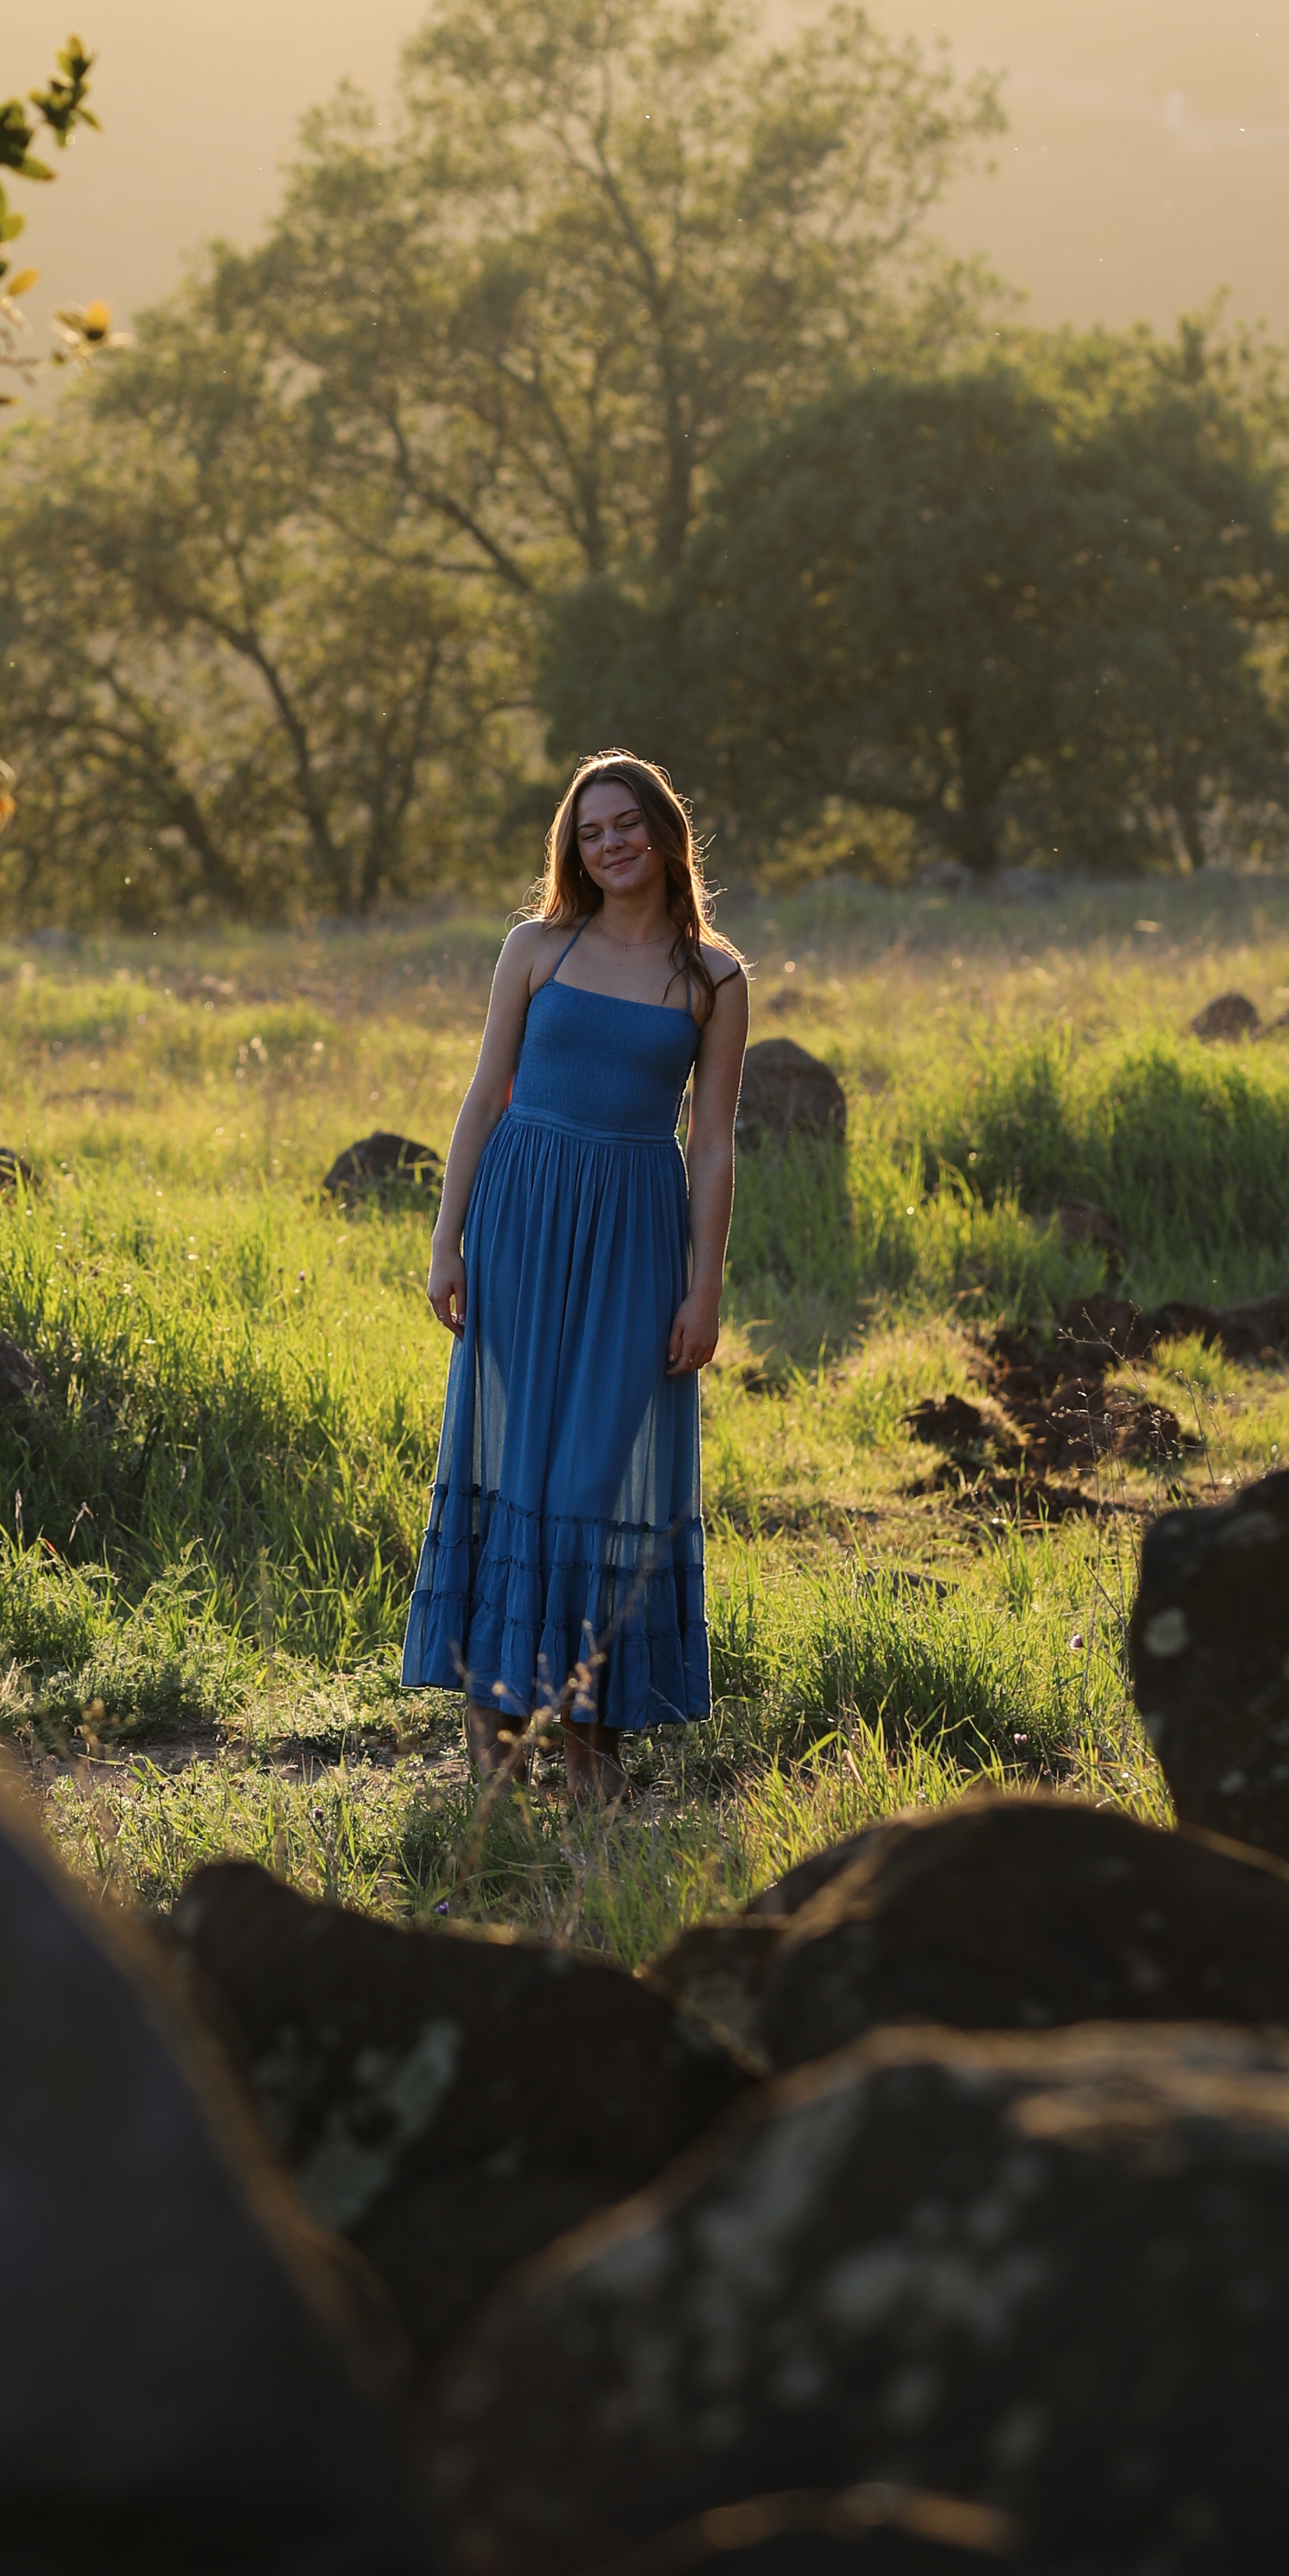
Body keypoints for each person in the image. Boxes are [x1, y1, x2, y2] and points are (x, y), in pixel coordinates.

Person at [399, 750, 747, 1802]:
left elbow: (717, 1144)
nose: (611, 845)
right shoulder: (536, 947)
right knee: (510, 1469)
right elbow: (483, 1095)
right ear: (573, 847)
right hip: (521, 1215)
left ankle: (593, 1749)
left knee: (598, 1475)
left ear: (664, 833)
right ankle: (492, 1748)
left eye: (627, 825)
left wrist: (703, 1290)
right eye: (590, 832)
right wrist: (446, 1240)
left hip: (636, 1232)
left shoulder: (713, 978)